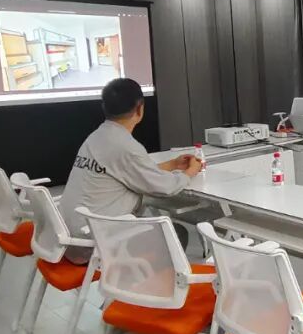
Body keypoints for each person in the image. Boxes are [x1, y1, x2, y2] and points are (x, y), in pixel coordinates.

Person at [59, 78, 201, 263]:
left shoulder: (96, 137)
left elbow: (129, 173)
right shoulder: (126, 146)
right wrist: (191, 172)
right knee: (176, 233)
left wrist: (173, 164)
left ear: (104, 107)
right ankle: (144, 280)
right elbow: (165, 188)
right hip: (95, 243)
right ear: (140, 109)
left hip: (70, 238)